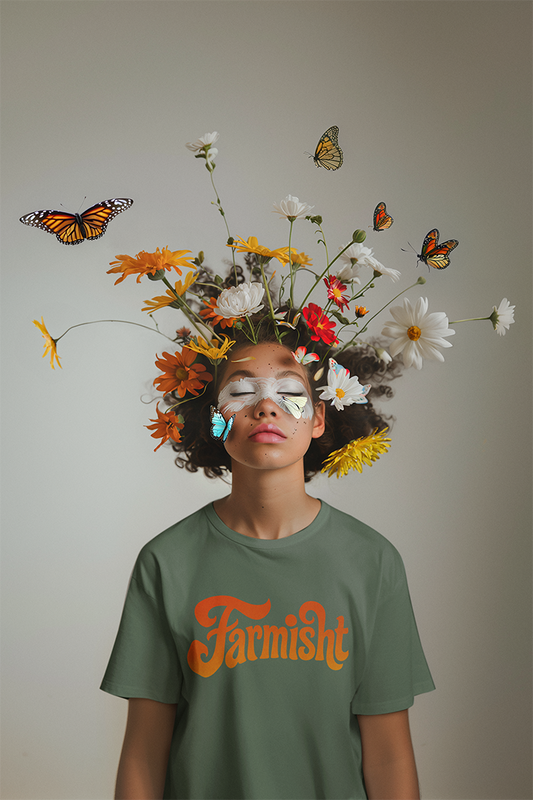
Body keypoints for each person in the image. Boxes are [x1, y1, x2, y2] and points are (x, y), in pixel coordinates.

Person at [101, 318, 435, 800]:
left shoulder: (373, 562)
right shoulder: (166, 563)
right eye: (240, 391)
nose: (265, 406)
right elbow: (143, 753)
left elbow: (389, 754)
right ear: (212, 418)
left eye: (290, 392)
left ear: (319, 418)